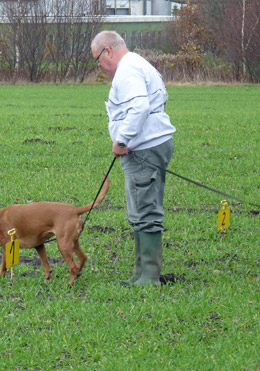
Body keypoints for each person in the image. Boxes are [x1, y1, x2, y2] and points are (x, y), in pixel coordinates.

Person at [91, 31, 176, 286]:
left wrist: (121, 140)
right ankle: (141, 273)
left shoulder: (127, 70)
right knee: (139, 208)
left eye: (97, 59)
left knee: (146, 209)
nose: (99, 66)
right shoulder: (138, 63)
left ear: (108, 50)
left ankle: (149, 277)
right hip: (150, 145)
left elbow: (139, 107)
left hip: (143, 149)